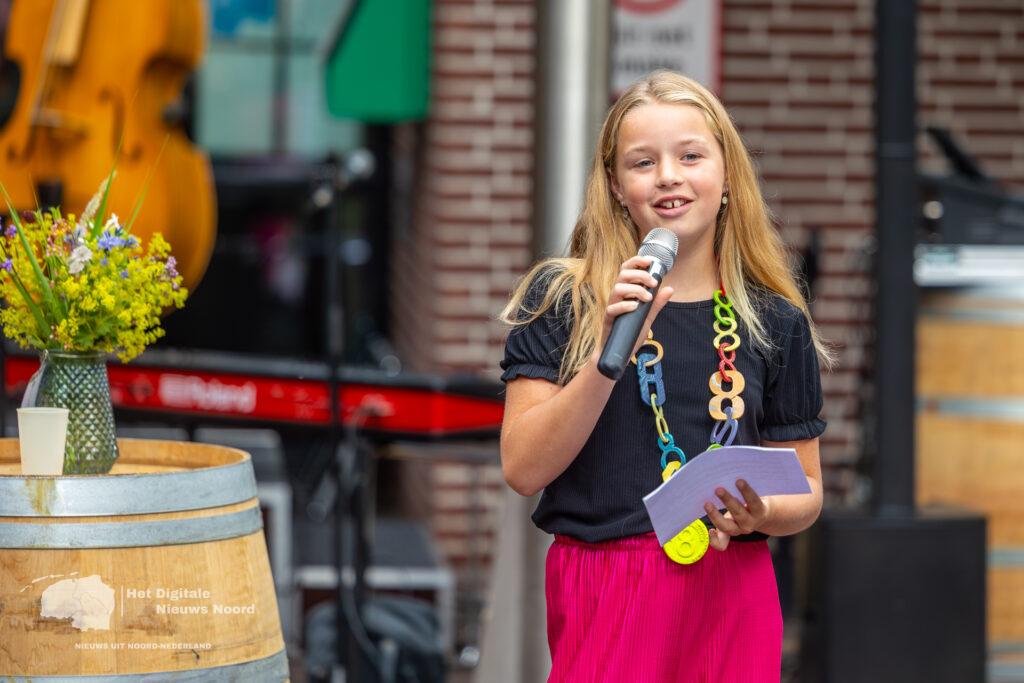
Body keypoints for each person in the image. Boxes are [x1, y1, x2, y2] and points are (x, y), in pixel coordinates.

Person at [498, 70, 832, 682]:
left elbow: (807, 489)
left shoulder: (774, 320)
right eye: (643, 162)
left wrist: (761, 513)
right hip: (607, 584)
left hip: (734, 586)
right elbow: (523, 470)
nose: (669, 176)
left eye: (690, 155)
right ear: (616, 186)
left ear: (727, 175)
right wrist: (606, 351)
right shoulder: (563, 299)